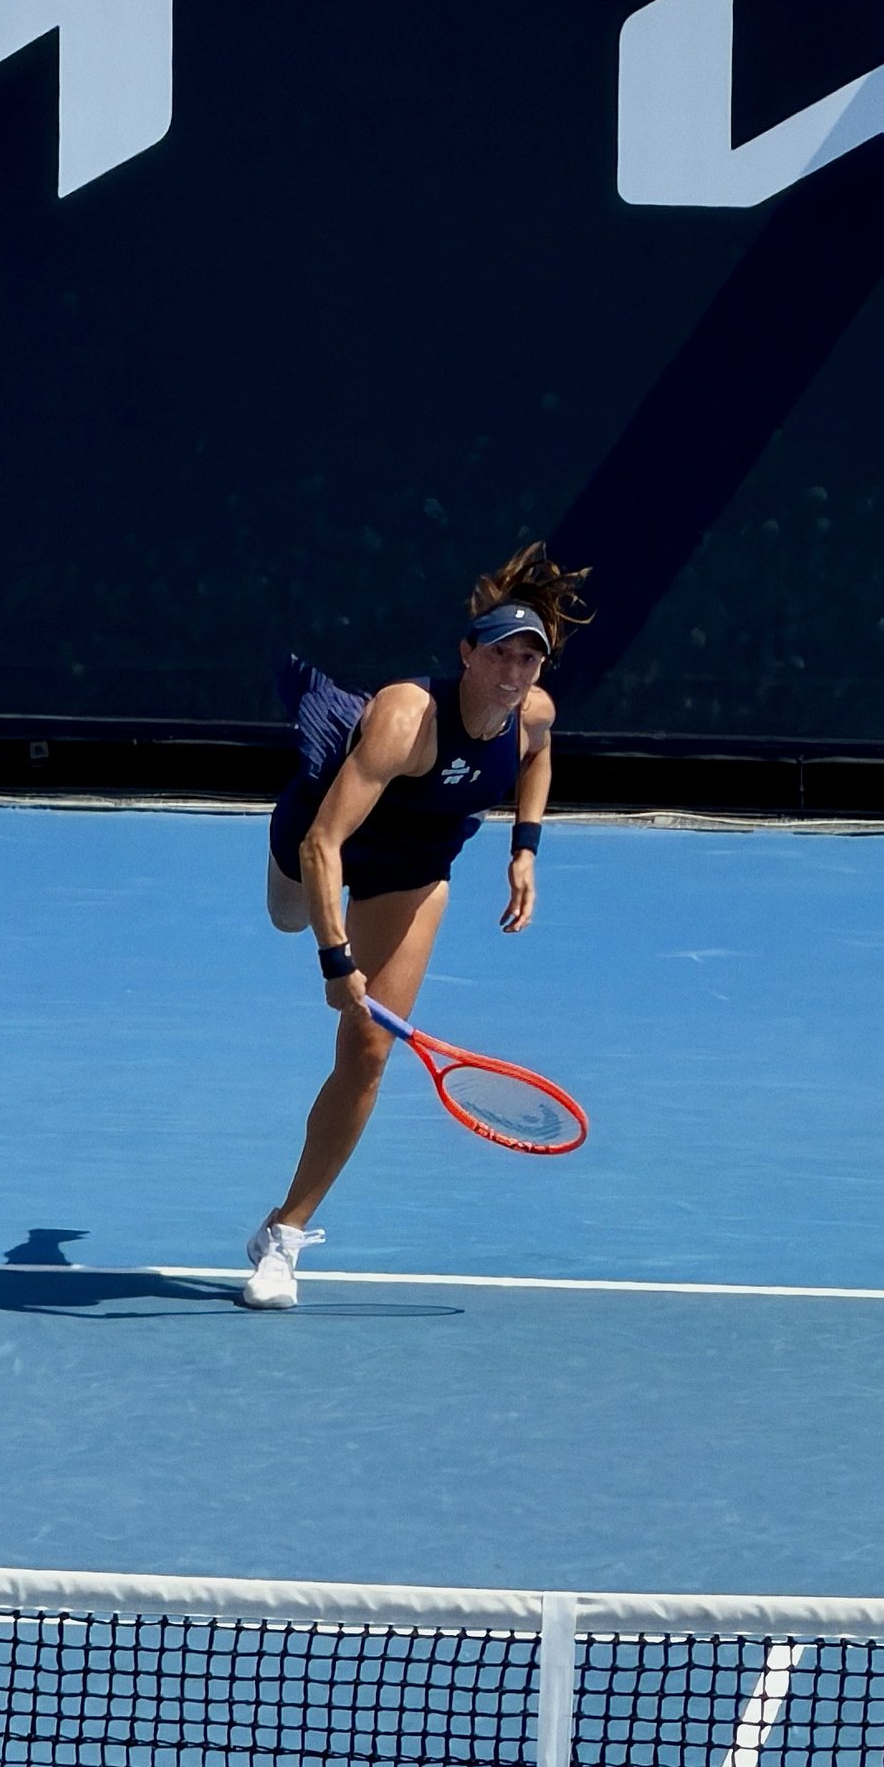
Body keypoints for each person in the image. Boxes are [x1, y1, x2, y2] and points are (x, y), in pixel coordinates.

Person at [243, 544, 590, 1311]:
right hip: (322, 840)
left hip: (413, 871)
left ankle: (283, 1235)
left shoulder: (532, 712)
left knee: (368, 1052)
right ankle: (313, 918)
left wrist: (524, 849)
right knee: (284, 916)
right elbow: (323, 845)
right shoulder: (408, 716)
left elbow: (538, 756)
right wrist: (335, 960)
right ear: (467, 655)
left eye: (530, 660)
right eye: (500, 655)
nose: (515, 673)